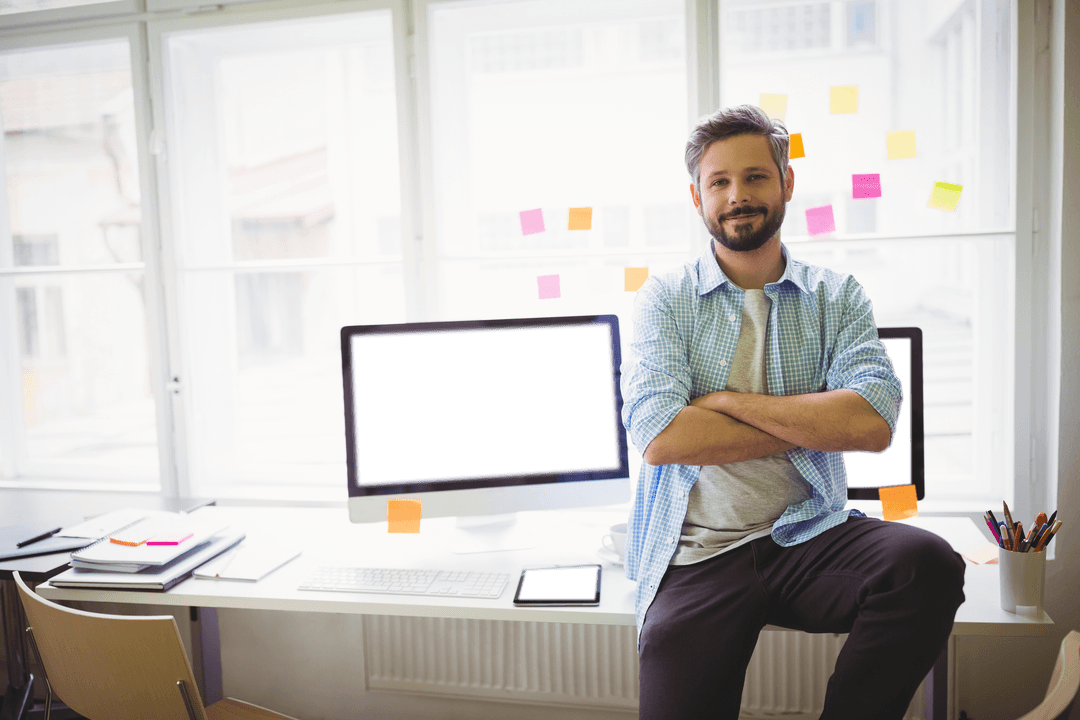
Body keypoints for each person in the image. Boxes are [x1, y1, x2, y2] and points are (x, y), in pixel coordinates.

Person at [621, 104, 967, 720]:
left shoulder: (838, 295)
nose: (737, 196)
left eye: (755, 177)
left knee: (928, 564)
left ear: (785, 183)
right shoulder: (664, 298)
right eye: (719, 182)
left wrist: (725, 405)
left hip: (807, 535)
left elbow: (869, 425)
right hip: (697, 553)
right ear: (697, 196)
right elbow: (662, 435)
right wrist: (810, 425)